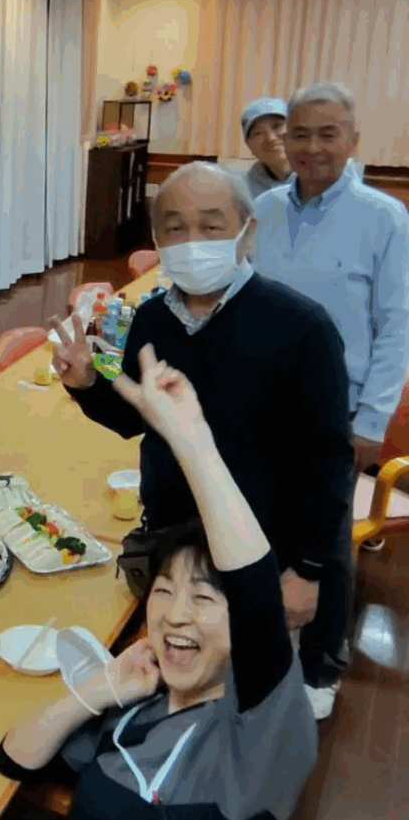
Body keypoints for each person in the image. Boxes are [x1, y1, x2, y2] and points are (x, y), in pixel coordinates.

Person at [52, 161, 354, 719]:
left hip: (263, 550)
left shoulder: (303, 327)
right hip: (175, 543)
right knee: (185, 689)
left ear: (247, 231)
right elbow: (134, 419)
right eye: (175, 228)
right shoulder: (147, 319)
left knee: (257, 702)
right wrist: (87, 384)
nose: (192, 241)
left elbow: (330, 462)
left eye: (212, 226)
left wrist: (309, 569)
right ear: (156, 237)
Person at [0, 345, 317, 820]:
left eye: (203, 597)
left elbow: (253, 593)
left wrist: (192, 441)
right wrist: (100, 689)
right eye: (164, 592)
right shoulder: (143, 700)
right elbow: (14, 758)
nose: (175, 614)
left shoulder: (257, 730)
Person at [251, 83, 409, 477]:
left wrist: (372, 423)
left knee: (321, 514)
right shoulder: (263, 209)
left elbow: (397, 326)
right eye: (300, 134)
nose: (312, 148)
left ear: (353, 141)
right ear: (286, 141)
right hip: (258, 398)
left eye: (327, 134)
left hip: (339, 411)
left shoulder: (385, 217)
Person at [240, 97, 290, 200]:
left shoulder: (322, 179)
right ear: (248, 145)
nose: (271, 138)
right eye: (258, 133)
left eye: (277, 126)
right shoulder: (243, 192)